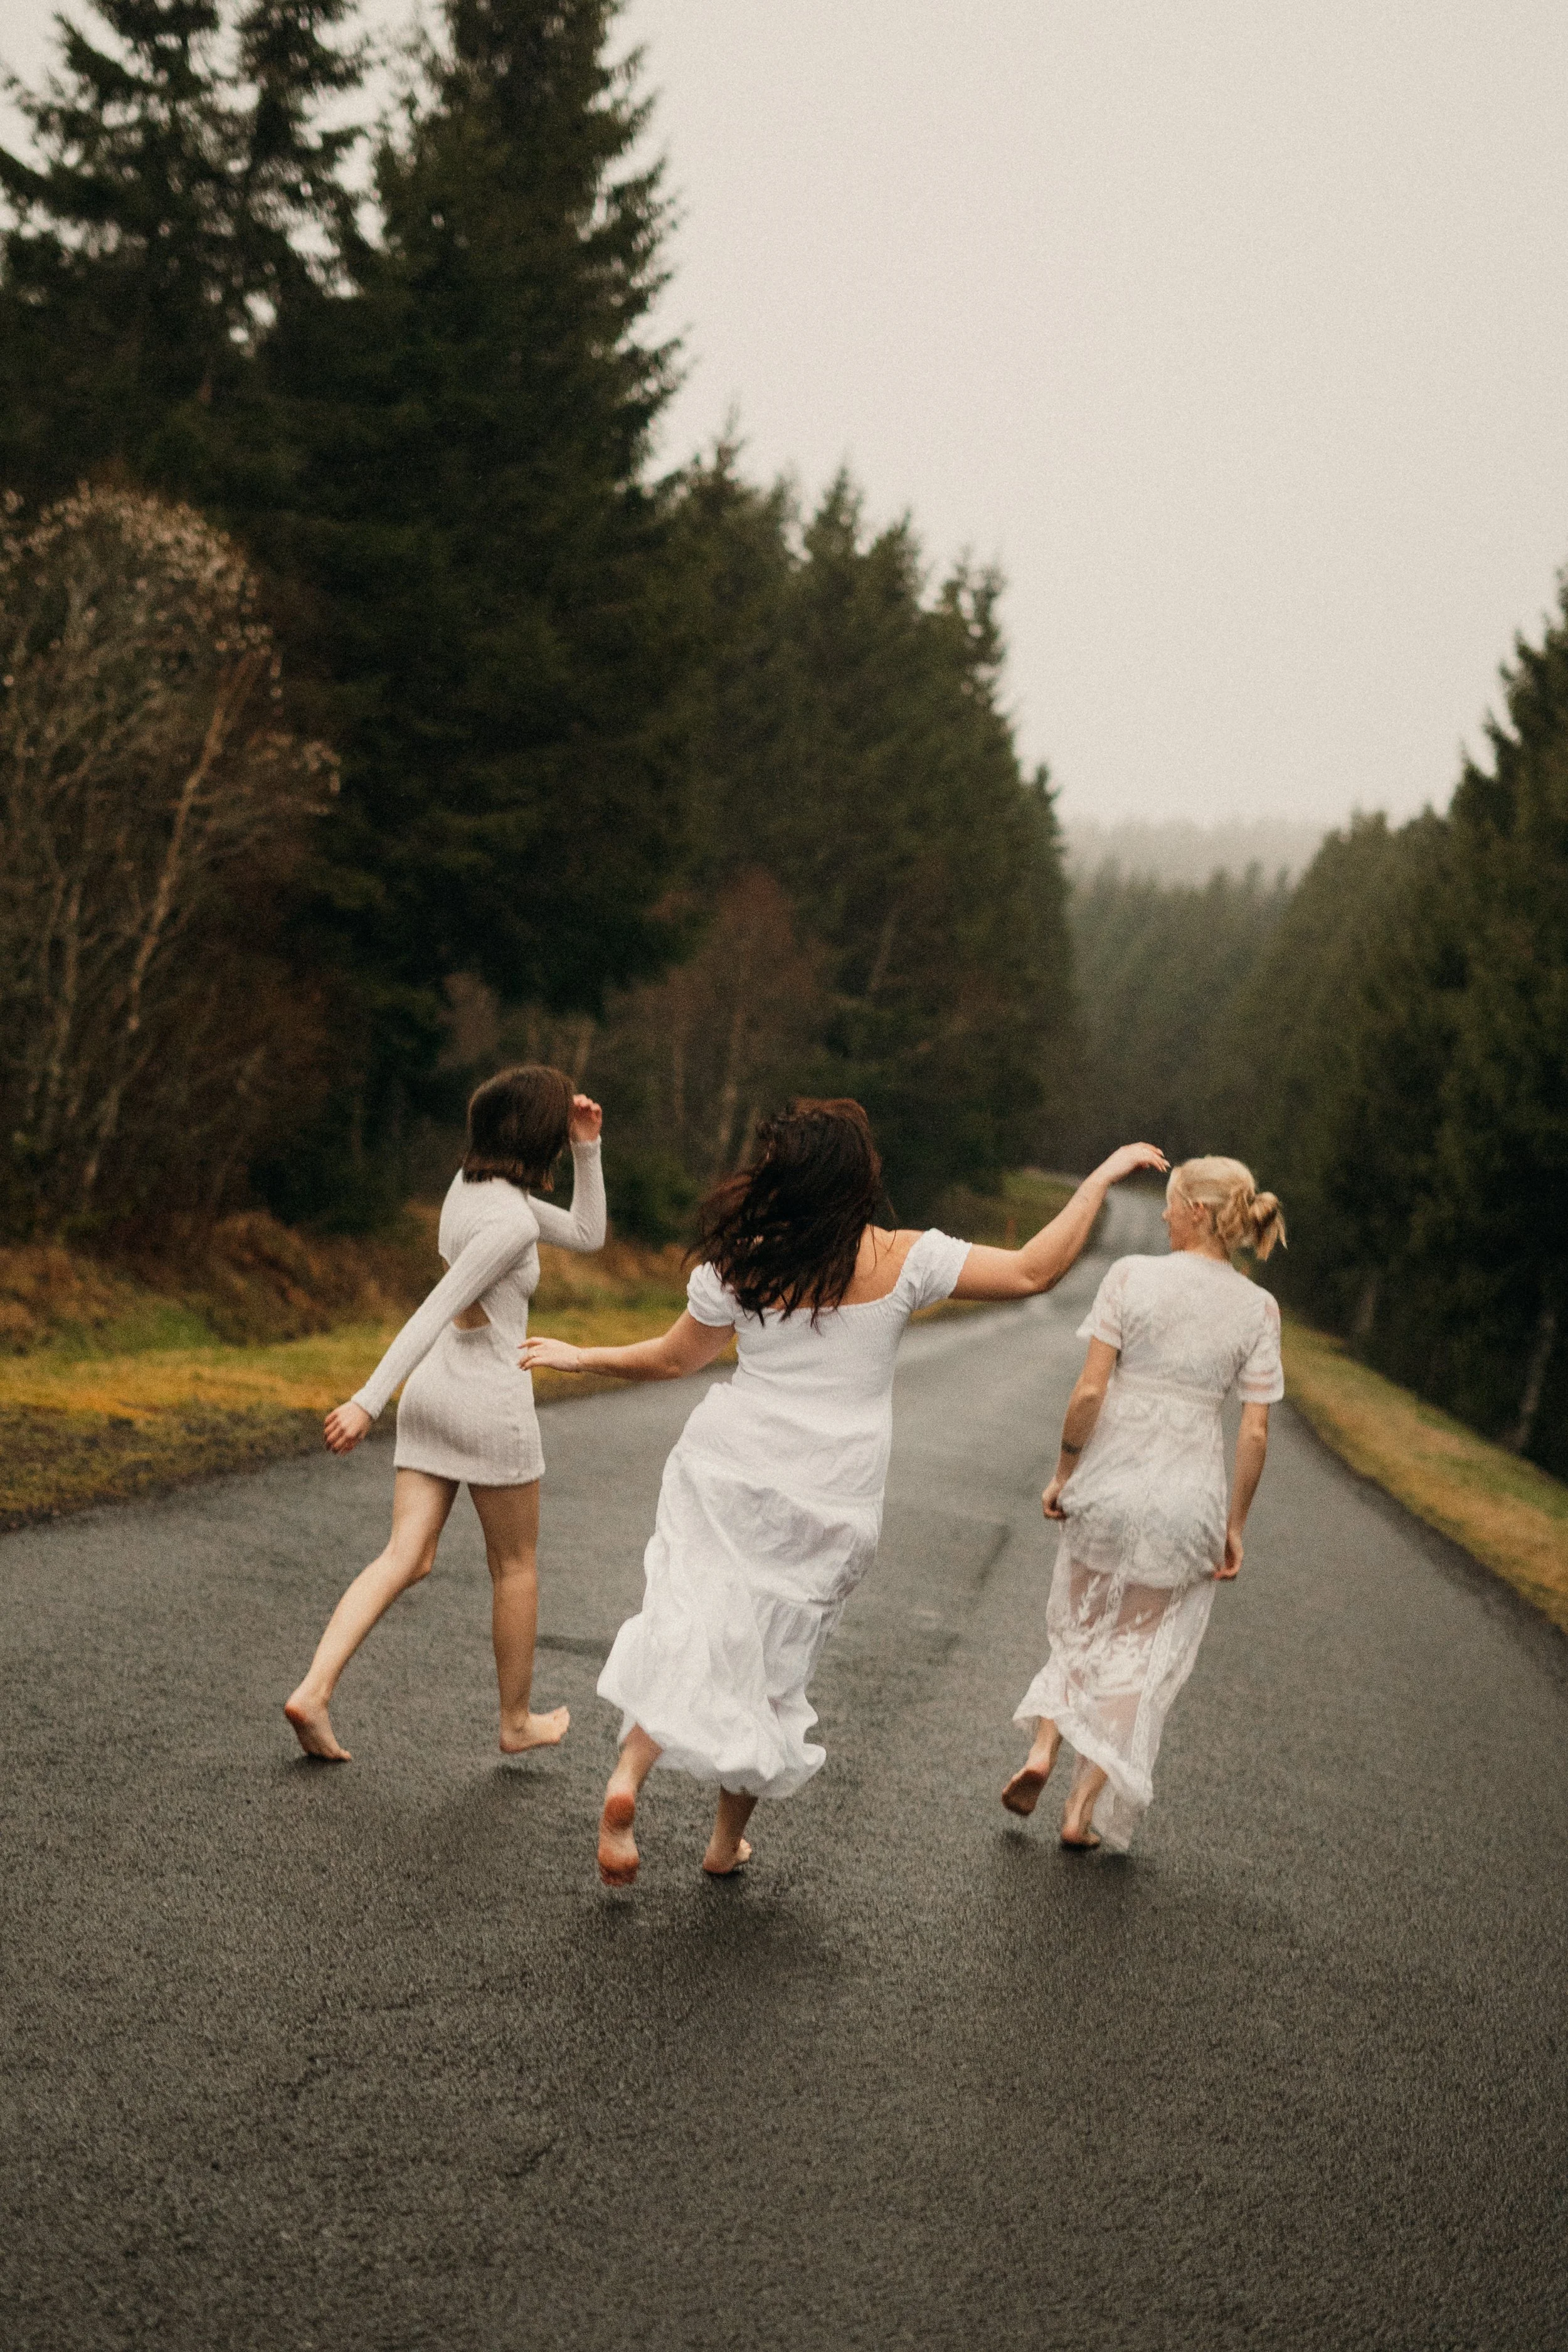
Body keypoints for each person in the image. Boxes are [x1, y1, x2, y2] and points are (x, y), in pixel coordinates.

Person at [521, 1099, 1165, 1886]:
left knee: (689, 1623)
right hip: (830, 1494)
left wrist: (581, 1357)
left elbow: (670, 1360)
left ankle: (627, 1782)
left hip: (726, 1467)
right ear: (859, 1177)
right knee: (775, 1659)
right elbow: (1036, 1268)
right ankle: (723, 1846)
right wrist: (1098, 1177)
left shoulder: (741, 1260)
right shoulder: (904, 1256)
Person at [284, 1066, 606, 1763]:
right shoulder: (512, 1221)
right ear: (535, 1133)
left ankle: (313, 1691)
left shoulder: (469, 1190)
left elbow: (586, 1232)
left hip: (437, 1393)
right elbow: (433, 1308)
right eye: (560, 1128)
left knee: (406, 1555)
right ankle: (516, 1722)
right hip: (488, 1399)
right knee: (515, 1565)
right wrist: (367, 1402)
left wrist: (589, 1146)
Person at [1002, 1154, 1286, 1852]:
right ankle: (1079, 1813)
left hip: (1113, 1479)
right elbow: (1254, 1430)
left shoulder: (1130, 1276)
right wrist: (1235, 1526)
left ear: (1194, 1210)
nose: (1159, 1216)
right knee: (1135, 1649)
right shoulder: (1257, 1308)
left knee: (1078, 1627)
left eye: (1167, 1204)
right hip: (1187, 1498)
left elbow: (1092, 1391)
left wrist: (1065, 1473)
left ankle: (1043, 1748)